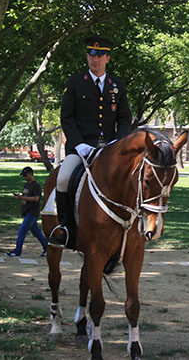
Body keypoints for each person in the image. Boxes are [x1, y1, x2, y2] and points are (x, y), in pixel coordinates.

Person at [49, 36, 133, 247]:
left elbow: (124, 119)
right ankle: (65, 227)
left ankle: (132, 226)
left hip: (110, 149)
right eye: (90, 55)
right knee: (63, 178)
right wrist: (79, 144)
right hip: (81, 149)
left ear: (107, 59)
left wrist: (119, 143)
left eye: (99, 56)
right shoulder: (75, 83)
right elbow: (67, 118)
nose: (94, 60)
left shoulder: (117, 85)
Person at [5, 167, 48, 257]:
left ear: (31, 174)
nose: (24, 177)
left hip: (32, 212)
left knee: (22, 230)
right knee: (36, 232)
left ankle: (17, 251)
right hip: (27, 211)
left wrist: (22, 198)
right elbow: (25, 196)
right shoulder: (26, 185)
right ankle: (47, 248)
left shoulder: (36, 186)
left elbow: (36, 198)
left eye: (25, 175)